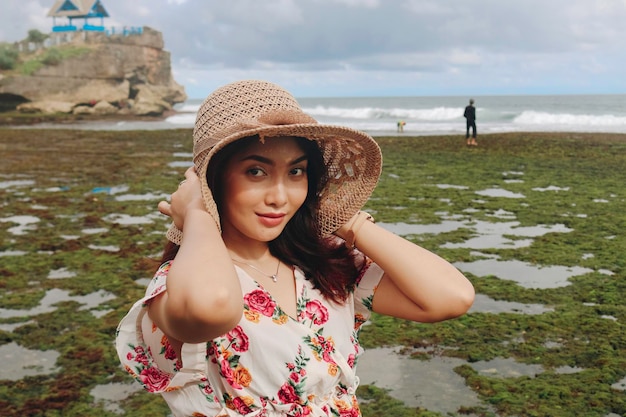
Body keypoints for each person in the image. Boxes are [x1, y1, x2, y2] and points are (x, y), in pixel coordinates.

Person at [116, 80, 475, 417]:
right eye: (256, 172)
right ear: (214, 180)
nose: (280, 197)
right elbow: (211, 307)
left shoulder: (323, 267)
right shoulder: (180, 286)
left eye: (296, 173)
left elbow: (450, 297)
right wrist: (197, 213)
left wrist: (348, 222)